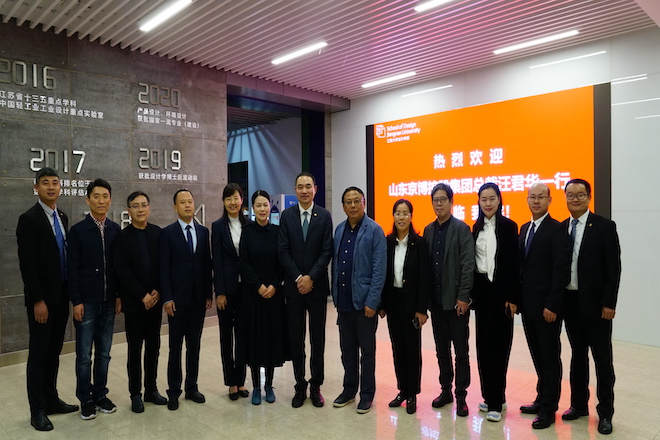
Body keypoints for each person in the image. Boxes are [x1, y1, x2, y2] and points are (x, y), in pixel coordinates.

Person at [17, 167, 79, 431]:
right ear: (36, 188)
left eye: (55, 183)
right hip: (42, 302)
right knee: (39, 354)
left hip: (61, 296)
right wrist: (37, 301)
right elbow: (28, 266)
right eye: (45, 183)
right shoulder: (28, 219)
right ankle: (37, 410)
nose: (51, 187)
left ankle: (51, 400)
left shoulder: (61, 216)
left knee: (54, 351)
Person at [561, 178, 621, 435]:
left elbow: (613, 268)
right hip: (570, 303)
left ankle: (605, 413)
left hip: (597, 307)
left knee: (602, 360)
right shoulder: (561, 228)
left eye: (580, 194)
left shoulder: (604, 226)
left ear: (589, 197)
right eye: (570, 195)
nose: (575, 199)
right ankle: (578, 405)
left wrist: (609, 303)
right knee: (577, 356)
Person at [278, 172, 333, 408]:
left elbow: (327, 250)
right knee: (296, 339)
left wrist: (311, 277)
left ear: (315, 189)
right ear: (295, 190)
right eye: (300, 187)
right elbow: (282, 250)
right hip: (293, 289)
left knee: (317, 340)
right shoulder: (287, 216)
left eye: (308, 186)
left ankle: (316, 385)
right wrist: (299, 277)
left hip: (317, 288)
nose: (304, 190)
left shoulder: (324, 216)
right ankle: (300, 385)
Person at [518, 182, 571, 429]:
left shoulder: (557, 229)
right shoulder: (524, 228)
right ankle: (541, 399)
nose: (536, 201)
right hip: (528, 307)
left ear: (550, 200)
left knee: (550, 359)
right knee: (538, 356)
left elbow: (561, 271)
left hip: (547, 309)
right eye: (533, 197)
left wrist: (553, 305)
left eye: (541, 197)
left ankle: (549, 409)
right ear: (527, 200)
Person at [68, 178, 121, 420]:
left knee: (104, 353)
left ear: (110, 200)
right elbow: (72, 269)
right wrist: (76, 301)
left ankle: (100, 394)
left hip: (109, 301)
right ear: (87, 200)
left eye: (105, 196)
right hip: (86, 303)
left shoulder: (115, 230)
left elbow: (119, 267)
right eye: (96, 196)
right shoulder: (78, 231)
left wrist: (118, 295)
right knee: (83, 356)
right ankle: (85, 399)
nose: (101, 201)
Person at [332, 187, 386, 414]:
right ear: (343, 206)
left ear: (364, 203)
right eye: (348, 202)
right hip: (344, 302)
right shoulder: (339, 230)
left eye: (357, 201)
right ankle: (349, 390)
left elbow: (379, 270)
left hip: (365, 305)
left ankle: (367, 395)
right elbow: (336, 265)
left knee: (367, 352)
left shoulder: (374, 230)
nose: (353, 205)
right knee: (347, 351)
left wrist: (372, 302)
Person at [113, 191, 168, 413]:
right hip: (135, 304)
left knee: (153, 347)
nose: (141, 209)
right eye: (135, 206)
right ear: (129, 211)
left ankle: (151, 390)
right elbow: (122, 271)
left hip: (155, 302)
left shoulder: (158, 233)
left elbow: (164, 265)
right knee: (134, 350)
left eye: (144, 205)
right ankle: (135, 394)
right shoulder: (122, 237)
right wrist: (142, 295)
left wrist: (157, 292)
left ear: (149, 208)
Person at [423, 183, 474, 417]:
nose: (439, 204)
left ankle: (461, 395)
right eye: (436, 200)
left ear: (451, 202)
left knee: (461, 352)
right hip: (436, 303)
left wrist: (463, 297)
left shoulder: (462, 229)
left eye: (443, 199)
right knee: (441, 350)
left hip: (456, 304)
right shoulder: (428, 230)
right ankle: (446, 391)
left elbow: (467, 265)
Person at [159, 189, 212, 410]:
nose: (188, 205)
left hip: (198, 299)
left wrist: (208, 294)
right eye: (183, 202)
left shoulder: (203, 231)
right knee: (175, 348)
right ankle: (173, 391)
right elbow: (164, 268)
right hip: (177, 300)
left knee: (194, 346)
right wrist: (167, 297)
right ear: (175, 207)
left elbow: (206, 264)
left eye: (190, 201)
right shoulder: (167, 233)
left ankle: (192, 387)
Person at [470, 183, 519, 422]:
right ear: (479, 202)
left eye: (492, 198)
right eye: (483, 199)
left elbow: (514, 265)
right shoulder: (475, 227)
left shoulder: (509, 227)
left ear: (499, 200)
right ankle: (490, 396)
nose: (488, 203)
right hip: (482, 295)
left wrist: (513, 298)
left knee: (500, 348)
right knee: (483, 348)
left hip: (502, 296)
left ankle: (497, 402)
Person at [379, 199, 429, 415]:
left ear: (411, 216)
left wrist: (421, 309)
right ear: (393, 216)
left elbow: (424, 279)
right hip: (393, 303)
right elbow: (382, 274)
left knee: (412, 350)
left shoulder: (420, 243)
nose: (401, 217)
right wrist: (382, 304)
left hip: (412, 305)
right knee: (398, 349)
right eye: (398, 213)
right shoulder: (387, 242)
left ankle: (412, 394)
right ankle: (402, 390)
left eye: (405, 213)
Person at [240, 190, 289, 405]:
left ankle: (269, 384)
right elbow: (244, 263)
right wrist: (259, 286)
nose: (262, 209)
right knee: (255, 339)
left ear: (270, 207)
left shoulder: (278, 232)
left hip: (274, 295)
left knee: (271, 339)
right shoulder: (247, 232)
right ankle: (256, 387)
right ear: (253, 209)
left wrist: (274, 285)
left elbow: (282, 261)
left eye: (265, 205)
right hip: (253, 296)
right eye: (258, 205)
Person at [212, 183, 250, 400]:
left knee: (243, 336)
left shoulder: (249, 224)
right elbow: (217, 260)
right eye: (228, 199)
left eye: (236, 197)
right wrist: (220, 292)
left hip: (246, 290)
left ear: (241, 199)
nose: (233, 202)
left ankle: (242, 381)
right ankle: (231, 382)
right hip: (227, 290)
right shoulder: (217, 226)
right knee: (226, 337)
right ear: (224, 202)